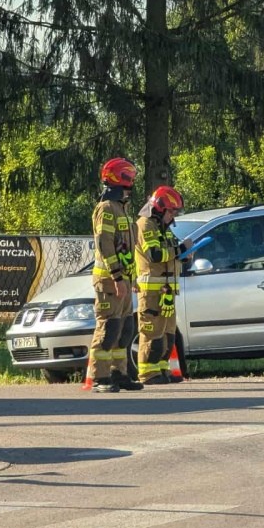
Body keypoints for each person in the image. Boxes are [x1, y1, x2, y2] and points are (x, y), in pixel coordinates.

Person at [89, 158, 142, 393]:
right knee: (108, 329)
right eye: (130, 178)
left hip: (123, 281)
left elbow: (127, 249)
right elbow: (105, 243)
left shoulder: (121, 208)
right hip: (110, 281)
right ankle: (99, 378)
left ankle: (118, 373)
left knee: (125, 329)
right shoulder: (107, 208)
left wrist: (132, 279)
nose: (132, 183)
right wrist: (117, 277)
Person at [134, 186, 186, 386]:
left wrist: (184, 256)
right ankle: (147, 374)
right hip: (151, 291)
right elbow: (155, 255)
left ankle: (162, 370)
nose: (173, 217)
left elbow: (171, 252)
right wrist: (180, 249)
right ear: (159, 208)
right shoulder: (145, 225)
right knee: (152, 334)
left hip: (166, 291)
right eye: (171, 212)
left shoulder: (163, 229)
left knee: (168, 333)